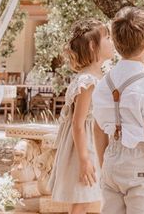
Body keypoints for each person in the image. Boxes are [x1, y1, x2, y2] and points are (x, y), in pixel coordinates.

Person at [92, 7, 144, 213]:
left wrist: (104, 164)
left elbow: (98, 129)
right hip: (141, 165)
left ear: (117, 46)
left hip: (111, 160)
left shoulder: (102, 84)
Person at [48, 19, 114, 214]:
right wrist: (84, 159)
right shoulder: (87, 81)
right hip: (85, 147)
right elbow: (78, 124)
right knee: (82, 199)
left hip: (95, 142)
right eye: (107, 37)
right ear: (93, 46)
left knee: (90, 198)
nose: (112, 42)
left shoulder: (100, 77)